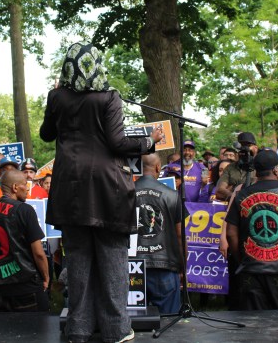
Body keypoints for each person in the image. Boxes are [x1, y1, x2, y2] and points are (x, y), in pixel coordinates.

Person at [40, 43, 162, 343]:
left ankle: (79, 327)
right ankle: (117, 329)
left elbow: (46, 134)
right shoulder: (109, 97)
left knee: (78, 259)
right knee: (113, 260)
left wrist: (55, 99)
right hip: (108, 189)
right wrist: (149, 141)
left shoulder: (57, 96)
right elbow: (118, 143)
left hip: (70, 187)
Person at [225, 150, 278, 310]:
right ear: (276, 170)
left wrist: (242, 259)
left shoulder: (241, 195)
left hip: (251, 271)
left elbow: (230, 234)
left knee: (253, 323)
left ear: (256, 171)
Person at [0, 169, 50, 312]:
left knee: (2, 332)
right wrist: (46, 277)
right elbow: (39, 253)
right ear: (15, 187)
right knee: (37, 332)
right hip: (26, 286)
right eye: (24, 184)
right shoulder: (24, 210)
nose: (28, 187)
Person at [135, 154, 188, 314]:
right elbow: (180, 235)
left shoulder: (125, 193)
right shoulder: (172, 195)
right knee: (168, 323)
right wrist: (183, 266)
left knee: (133, 322)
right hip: (165, 267)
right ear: (158, 167)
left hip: (132, 267)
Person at [216, 132, 259, 201]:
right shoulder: (230, 167)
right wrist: (236, 198)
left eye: (248, 145)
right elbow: (220, 190)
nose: (244, 148)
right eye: (241, 145)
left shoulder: (260, 166)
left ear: (255, 148)